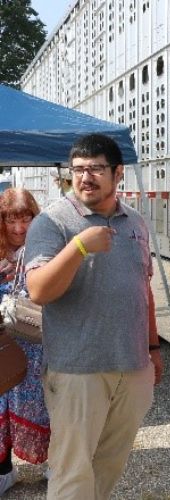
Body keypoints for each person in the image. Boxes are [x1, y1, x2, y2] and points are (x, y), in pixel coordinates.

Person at [24, 133, 163, 499]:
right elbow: (38, 290)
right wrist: (79, 246)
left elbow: (143, 287)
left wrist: (153, 348)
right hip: (77, 370)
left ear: (118, 174)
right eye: (79, 170)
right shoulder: (52, 222)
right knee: (72, 473)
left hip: (132, 367)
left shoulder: (134, 222)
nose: (85, 178)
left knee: (109, 465)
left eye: (96, 169)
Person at [0, 188, 49, 496]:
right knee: (1, 405)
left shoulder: (46, 247)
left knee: (45, 404)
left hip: (39, 343)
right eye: (10, 220)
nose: (19, 228)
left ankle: (53, 463)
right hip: (5, 346)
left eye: (25, 218)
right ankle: (4, 471)